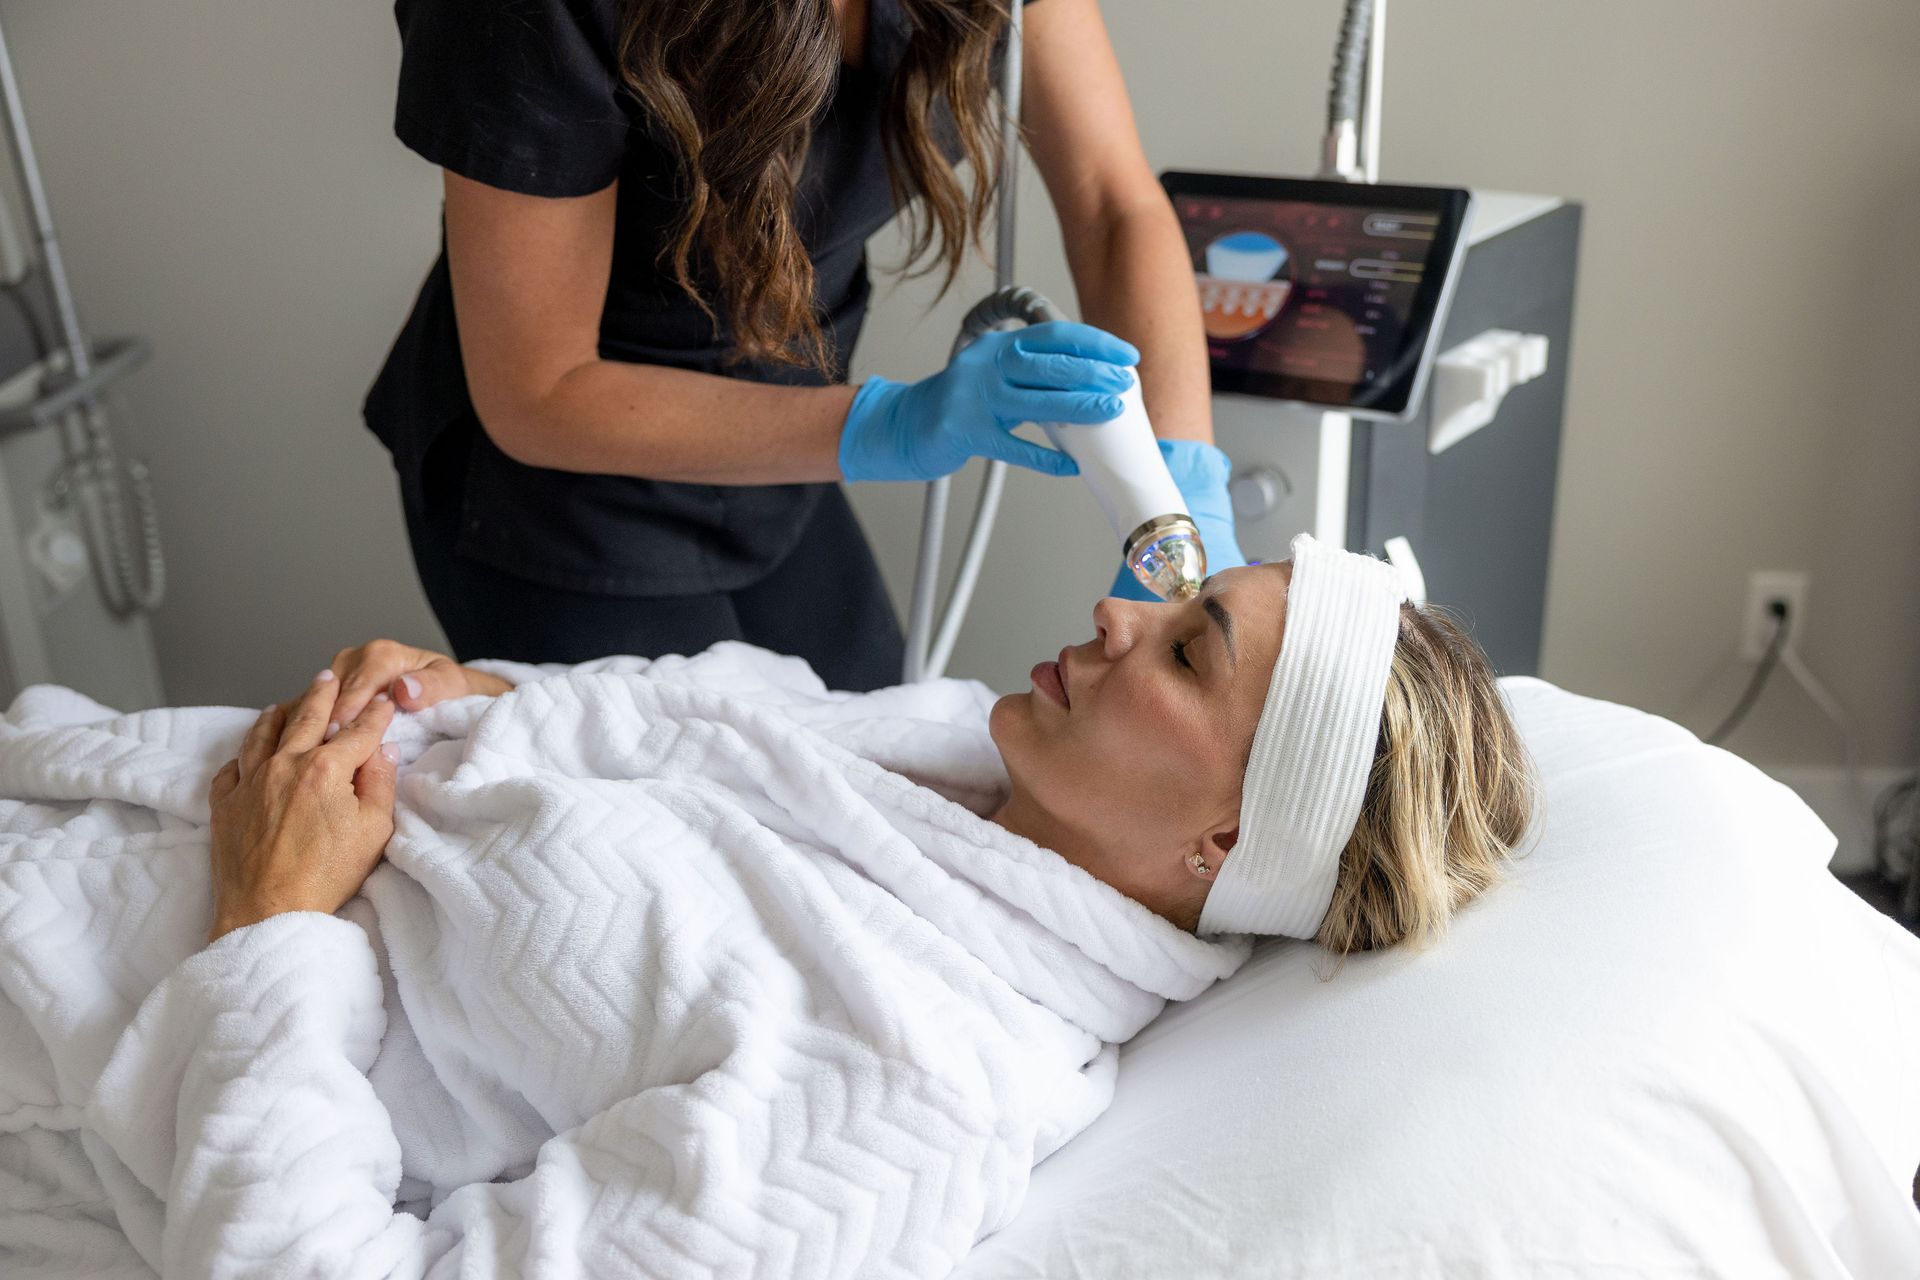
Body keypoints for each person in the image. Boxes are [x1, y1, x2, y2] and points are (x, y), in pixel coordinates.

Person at [364, 0, 1246, 694]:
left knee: (868, 761)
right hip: (559, 497)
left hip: (786, 461)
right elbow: (538, 392)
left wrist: (1186, 483)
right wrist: (888, 425)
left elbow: (1111, 202)